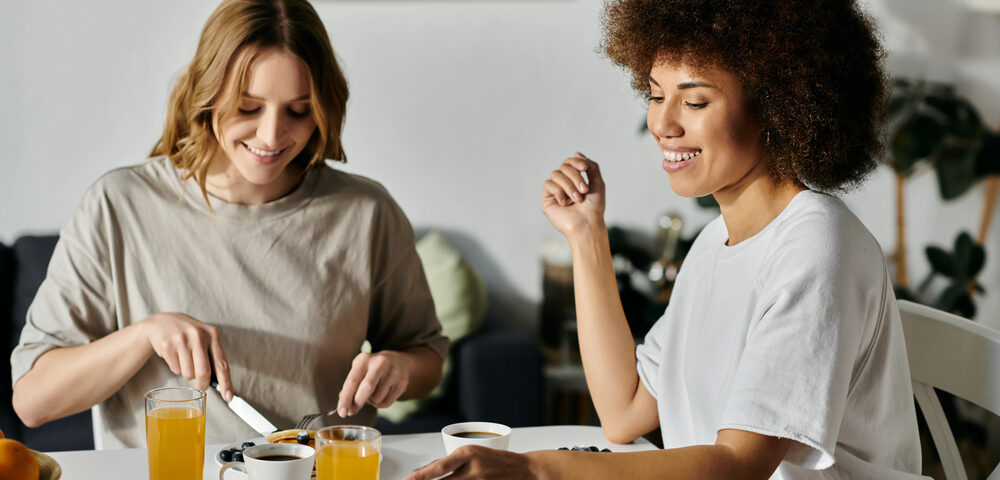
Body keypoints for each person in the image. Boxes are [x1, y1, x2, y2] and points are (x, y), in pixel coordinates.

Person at [407, 0, 925, 479]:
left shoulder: (816, 244)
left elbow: (739, 466)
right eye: (655, 94)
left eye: (694, 100)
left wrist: (538, 469)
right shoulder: (714, 243)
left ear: (778, 106)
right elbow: (624, 410)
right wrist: (588, 236)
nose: (661, 122)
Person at [11, 0, 448, 448]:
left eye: (298, 111)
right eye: (247, 107)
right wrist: (143, 335)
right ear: (207, 92)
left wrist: (400, 367)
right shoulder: (118, 205)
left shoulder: (367, 212)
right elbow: (33, 400)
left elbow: (427, 356)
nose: (272, 136)